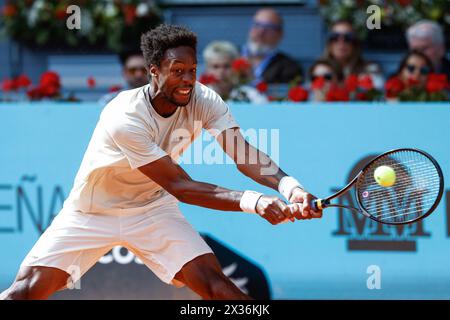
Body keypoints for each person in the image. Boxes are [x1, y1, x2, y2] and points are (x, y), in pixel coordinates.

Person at [0, 24, 322, 300]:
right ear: (154, 71)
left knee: (217, 287)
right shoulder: (124, 116)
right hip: (92, 211)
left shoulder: (204, 99)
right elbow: (180, 185)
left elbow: (244, 154)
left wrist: (289, 187)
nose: (187, 80)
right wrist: (255, 202)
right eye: (177, 71)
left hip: (152, 209)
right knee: (26, 291)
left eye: (192, 71)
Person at [242, 8, 303, 85]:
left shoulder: (290, 68)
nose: (260, 32)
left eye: (268, 27)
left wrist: (254, 80)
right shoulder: (231, 57)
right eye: (257, 25)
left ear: (280, 34)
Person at [322, 20, 384, 89]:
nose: (341, 42)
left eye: (347, 37)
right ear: (329, 43)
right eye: (335, 37)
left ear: (355, 44)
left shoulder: (370, 70)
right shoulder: (319, 70)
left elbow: (377, 94)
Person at [202, 40, 268, 103]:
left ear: (235, 68)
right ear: (207, 69)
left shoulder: (251, 96)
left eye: (227, 66)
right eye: (215, 67)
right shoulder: (198, 96)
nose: (221, 71)